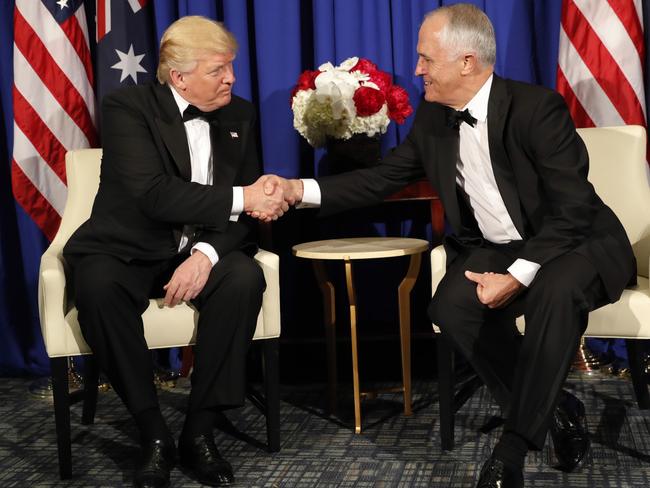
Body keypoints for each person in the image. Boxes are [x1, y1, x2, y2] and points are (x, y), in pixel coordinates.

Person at [266, 4, 636, 488]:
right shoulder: (434, 119)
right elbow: (382, 179)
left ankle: (513, 449)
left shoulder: (536, 108)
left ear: (466, 62)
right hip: (500, 246)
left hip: (578, 241)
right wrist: (297, 191)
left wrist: (517, 274)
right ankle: (554, 406)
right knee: (450, 306)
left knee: (553, 291)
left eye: (426, 59)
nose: (416, 69)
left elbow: (572, 211)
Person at [63, 16, 287, 488]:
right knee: (97, 288)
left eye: (231, 68)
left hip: (199, 246)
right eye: (218, 70)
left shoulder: (239, 115)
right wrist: (245, 197)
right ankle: (154, 433)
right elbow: (154, 194)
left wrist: (205, 253)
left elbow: (243, 219)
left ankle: (199, 431)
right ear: (179, 76)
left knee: (245, 278)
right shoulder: (127, 107)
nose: (231, 78)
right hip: (125, 248)